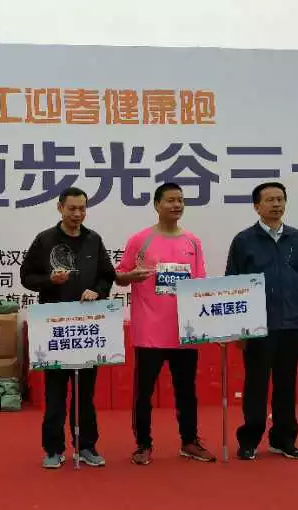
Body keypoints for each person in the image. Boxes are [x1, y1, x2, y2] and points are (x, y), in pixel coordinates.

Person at [114, 182, 216, 466]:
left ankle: (189, 441)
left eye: (180, 200)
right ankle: (143, 444)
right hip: (149, 331)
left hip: (185, 331)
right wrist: (131, 276)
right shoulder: (140, 240)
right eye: (170, 200)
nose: (176, 205)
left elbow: (199, 284)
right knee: (143, 393)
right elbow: (119, 276)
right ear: (157, 205)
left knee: (187, 391)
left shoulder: (193, 242)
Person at [20, 187, 116, 469]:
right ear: (60, 207)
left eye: (82, 208)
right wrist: (49, 280)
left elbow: (107, 276)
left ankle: (86, 446)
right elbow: (26, 277)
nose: (77, 214)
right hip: (55, 328)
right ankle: (53, 449)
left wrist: (97, 291)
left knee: (85, 393)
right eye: (72, 208)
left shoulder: (93, 239)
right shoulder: (45, 239)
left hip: (87, 328)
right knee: (55, 393)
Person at [225, 182, 298, 461]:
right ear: (257, 206)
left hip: (291, 324)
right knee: (256, 385)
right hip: (257, 327)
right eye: (270, 200)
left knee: (286, 385)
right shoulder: (244, 240)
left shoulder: (296, 238)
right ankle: (250, 439)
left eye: (280, 199)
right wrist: (238, 328)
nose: (276, 204)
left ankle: (283, 439)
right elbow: (233, 284)